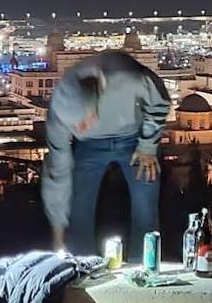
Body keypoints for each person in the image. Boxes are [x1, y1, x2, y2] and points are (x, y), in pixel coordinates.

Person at [43, 50, 170, 260]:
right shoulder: (59, 109)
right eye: (74, 126)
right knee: (78, 208)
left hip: (133, 137)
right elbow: (58, 169)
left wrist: (148, 145)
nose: (80, 128)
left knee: (145, 204)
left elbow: (160, 101)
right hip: (89, 146)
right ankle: (81, 266)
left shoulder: (126, 76)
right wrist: (58, 227)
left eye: (84, 121)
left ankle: (144, 265)